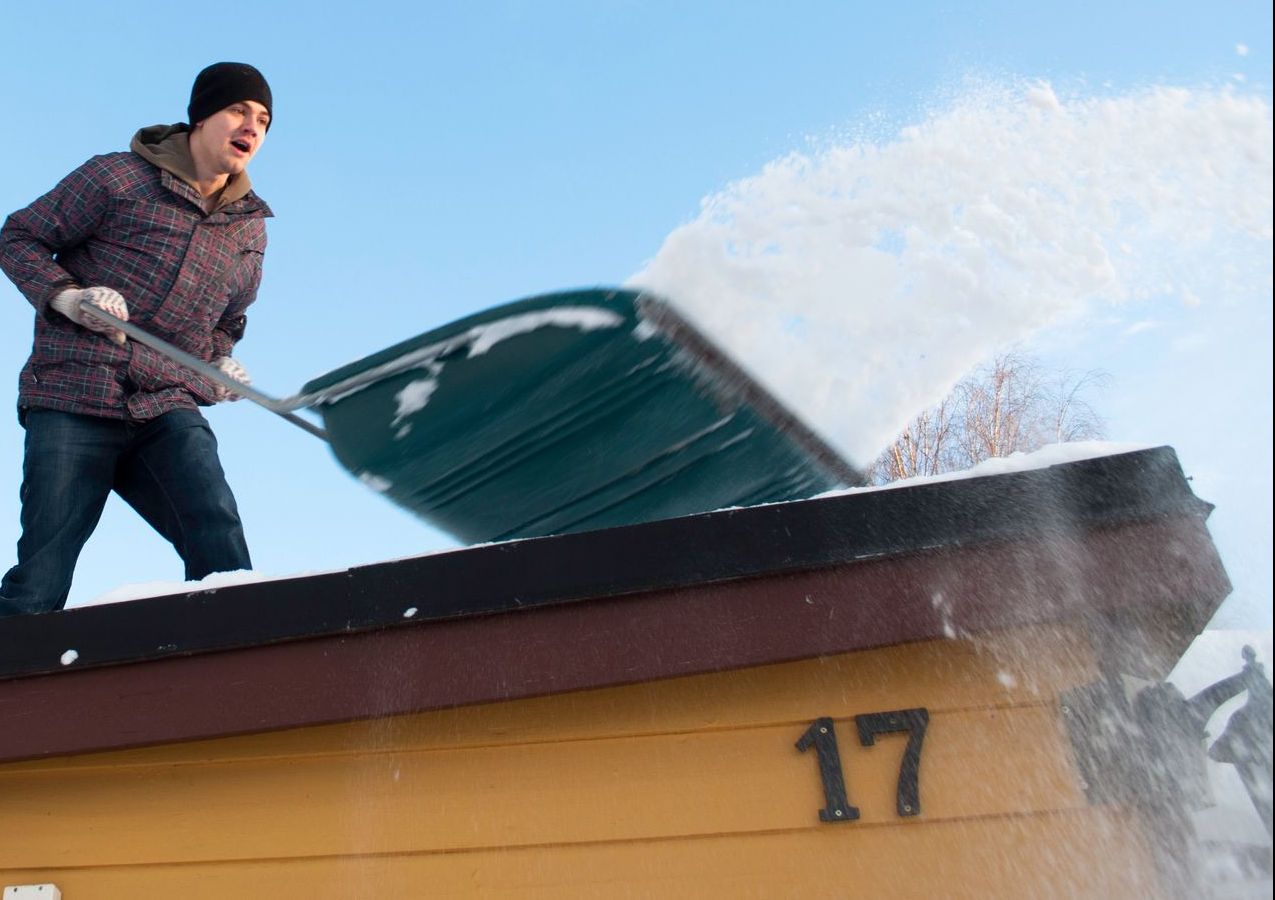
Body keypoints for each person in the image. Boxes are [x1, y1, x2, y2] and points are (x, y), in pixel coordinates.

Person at [0, 62, 275, 617]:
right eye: (238, 110)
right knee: (40, 581)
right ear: (201, 118)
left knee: (222, 548)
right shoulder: (117, 178)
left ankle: (235, 678)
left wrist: (222, 361)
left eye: (264, 119)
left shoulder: (250, 228)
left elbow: (227, 319)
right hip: (74, 396)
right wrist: (69, 296)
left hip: (165, 404)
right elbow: (18, 237)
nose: (252, 126)